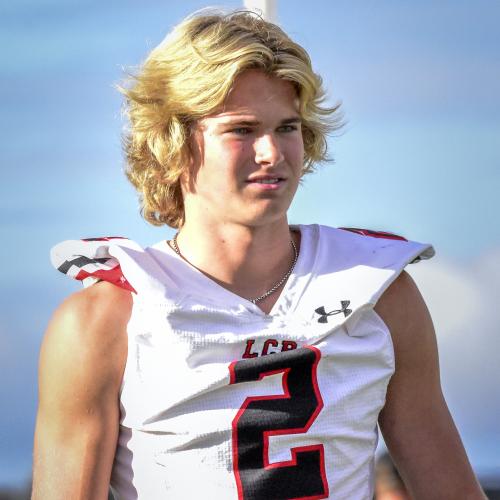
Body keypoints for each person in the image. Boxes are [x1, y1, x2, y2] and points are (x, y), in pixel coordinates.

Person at [32, 9, 485, 500]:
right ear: (173, 144)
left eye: (287, 127)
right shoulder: (104, 321)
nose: (272, 153)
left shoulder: (378, 294)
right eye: (242, 130)